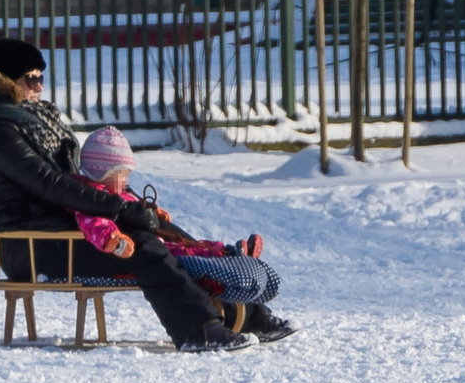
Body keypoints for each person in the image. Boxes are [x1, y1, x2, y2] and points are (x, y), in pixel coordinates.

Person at [0, 38, 254, 352]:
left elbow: (77, 181)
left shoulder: (35, 121)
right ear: (3, 81)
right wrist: (119, 210)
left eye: (41, 78)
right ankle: (200, 331)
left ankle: (251, 316)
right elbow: (51, 185)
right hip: (32, 245)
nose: (39, 87)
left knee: (161, 230)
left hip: (63, 233)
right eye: (30, 79)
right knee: (144, 246)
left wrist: (131, 205)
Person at [74, 126, 300, 342]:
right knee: (192, 264)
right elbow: (95, 225)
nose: (125, 180)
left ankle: (233, 272)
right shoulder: (92, 199)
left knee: (193, 251)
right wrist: (115, 240)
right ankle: (224, 259)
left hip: (157, 244)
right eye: (120, 174)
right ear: (101, 172)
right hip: (129, 254)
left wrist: (154, 215)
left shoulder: (122, 194)